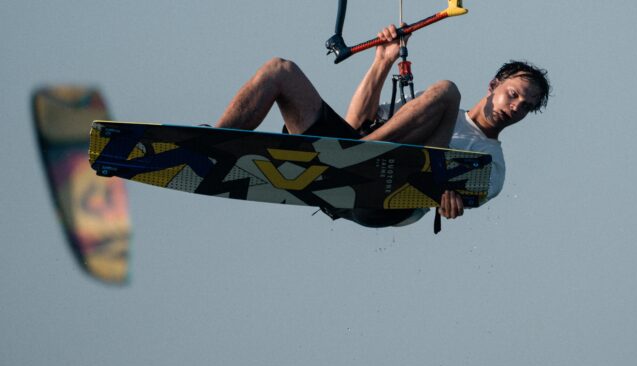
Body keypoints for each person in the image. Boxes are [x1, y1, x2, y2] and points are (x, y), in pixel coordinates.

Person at [215, 25, 550, 227]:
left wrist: (450, 201)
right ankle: (212, 146)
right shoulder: (431, 110)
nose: (516, 106)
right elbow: (356, 121)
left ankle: (357, 153)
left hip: (386, 198)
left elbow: (455, 199)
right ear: (493, 85)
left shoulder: (493, 164)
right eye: (513, 94)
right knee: (280, 70)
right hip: (340, 175)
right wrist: (383, 60)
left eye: (526, 106)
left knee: (446, 91)